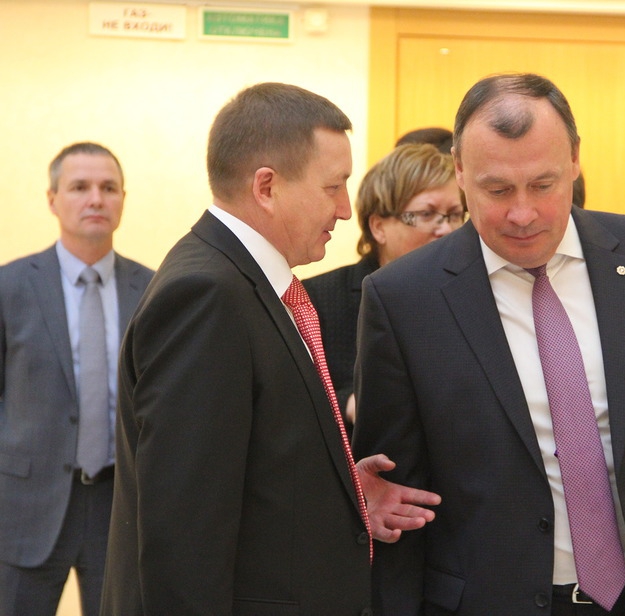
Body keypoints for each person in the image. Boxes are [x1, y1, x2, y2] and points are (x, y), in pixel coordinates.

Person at [351, 73, 625, 615]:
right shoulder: (404, 298)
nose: (522, 213)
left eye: (543, 185)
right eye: (497, 190)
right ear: (460, 171)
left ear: (574, 159)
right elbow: (399, 502)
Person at [100, 82, 439, 615]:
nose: (344, 209)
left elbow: (248, 461)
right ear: (266, 187)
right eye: (333, 186)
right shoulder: (207, 295)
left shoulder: (243, 281)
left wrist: (342, 492)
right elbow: (184, 531)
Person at [0, 142, 154, 616]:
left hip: (120, 504)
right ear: (52, 199)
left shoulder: (154, 289)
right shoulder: (9, 287)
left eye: (108, 188)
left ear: (123, 199)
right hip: (26, 505)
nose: (95, 199)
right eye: (80, 187)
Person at [302, 143, 465, 426]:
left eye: (455, 215)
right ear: (378, 227)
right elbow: (291, 405)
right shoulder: (316, 300)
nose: (447, 229)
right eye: (427, 214)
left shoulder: (473, 295)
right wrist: (349, 404)